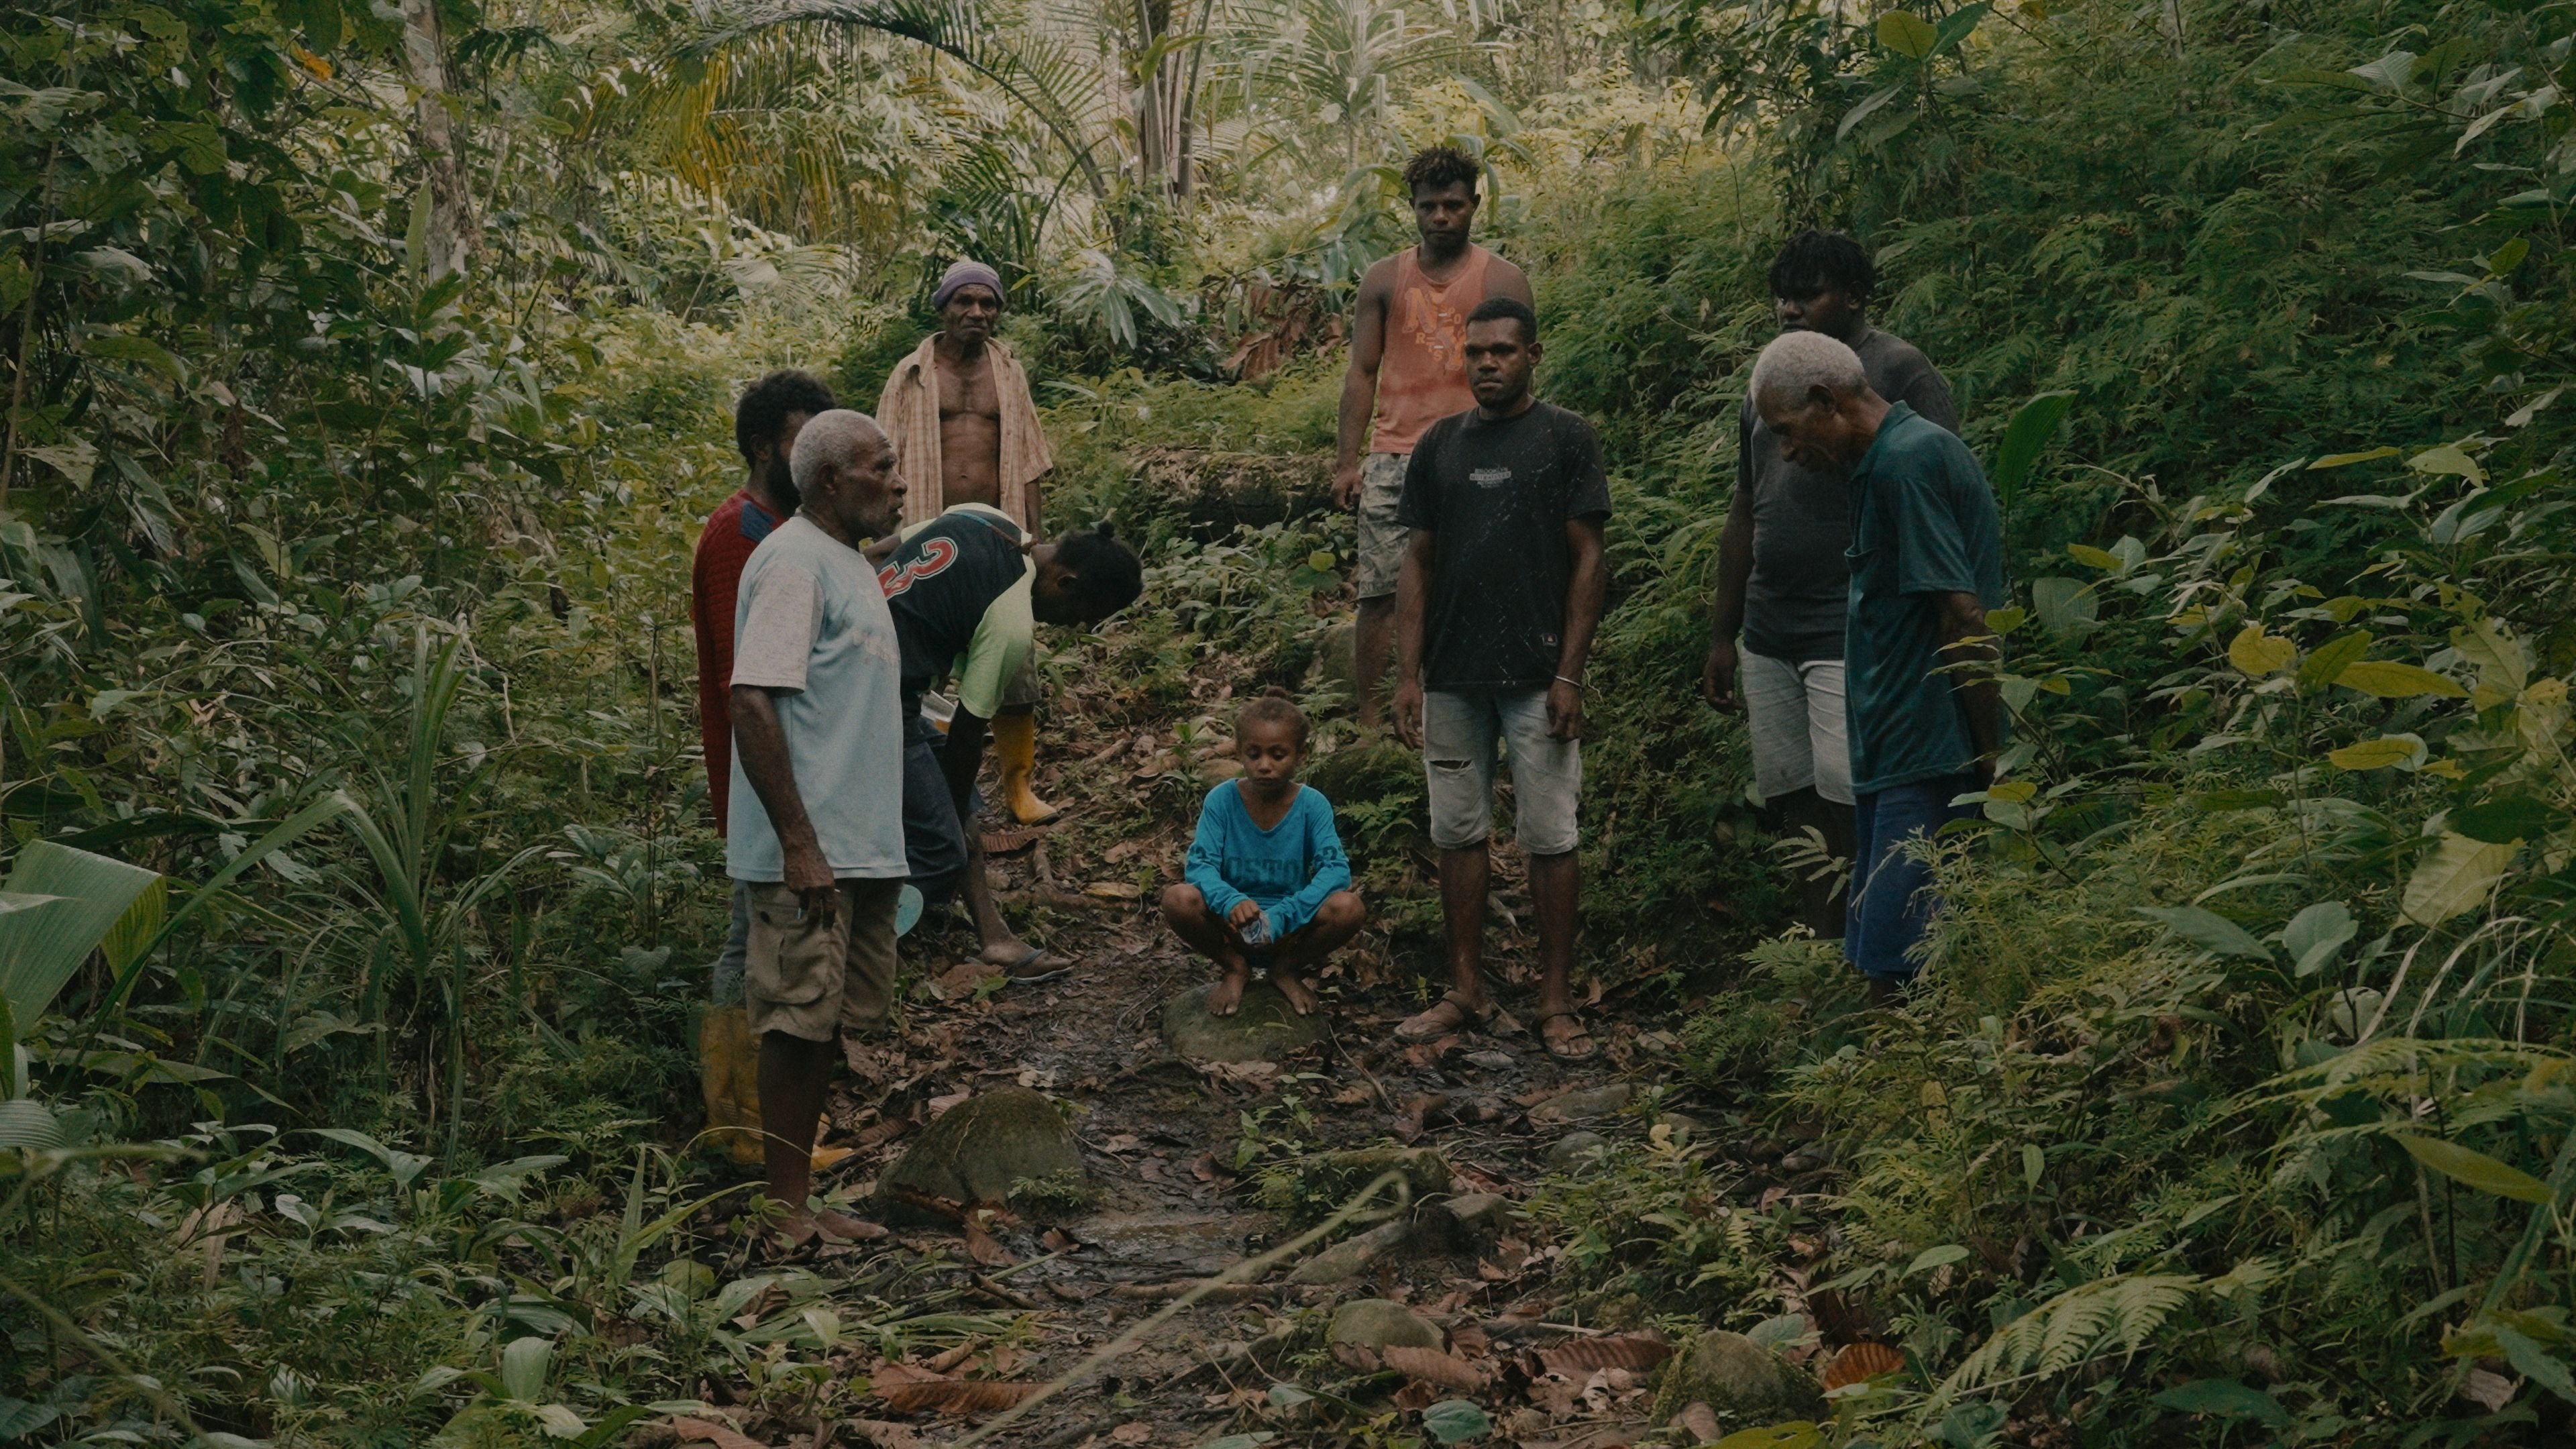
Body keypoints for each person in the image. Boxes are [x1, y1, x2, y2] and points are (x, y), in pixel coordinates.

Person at [1701, 231, 1956, 938]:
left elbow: (1934, 495)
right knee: (1794, 797)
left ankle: (1881, 945)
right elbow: (1745, 508)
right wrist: (1724, 633)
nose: (1790, 309)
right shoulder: (1771, 384)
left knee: (1858, 797)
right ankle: (1821, 945)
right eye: (1782, 295)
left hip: (1852, 625)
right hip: (1771, 624)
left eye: (1807, 293)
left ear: (1851, 295)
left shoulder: (1898, 371)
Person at [1747, 330, 2004, 1003]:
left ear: (1826, 401)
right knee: (1882, 950)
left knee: (1898, 966)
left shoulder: (1906, 464)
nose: (1788, 452)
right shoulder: (1878, 465)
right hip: (1894, 753)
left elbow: (1964, 616)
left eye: (1787, 430)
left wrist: (1989, 753)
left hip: (1927, 754)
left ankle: (1904, 1098)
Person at [1389, 297, 1610, 1061]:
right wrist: (1407, 675)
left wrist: (1570, 674)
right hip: (1452, 675)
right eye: (1476, 351)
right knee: (1457, 830)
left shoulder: (1566, 438)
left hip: (1535, 674)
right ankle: (1466, 990)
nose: (1488, 364)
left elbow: (1588, 556)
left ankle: (1554, 1000)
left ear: (1532, 356)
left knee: (1550, 833)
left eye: (1504, 352)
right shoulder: (1439, 446)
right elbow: (1416, 561)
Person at [727, 409, 911, 1246]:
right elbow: (751, 696)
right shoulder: (794, 563)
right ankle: (783, 1212)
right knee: (795, 1021)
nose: (899, 481)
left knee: (826, 1022)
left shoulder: (847, 563)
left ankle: (800, 1198)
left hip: (856, 845)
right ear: (832, 481)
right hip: (810, 850)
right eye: (882, 467)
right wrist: (800, 844)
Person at [874, 504, 1144, 979]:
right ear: (1066, 581)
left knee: (965, 811)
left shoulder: (985, 519)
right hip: (873, 700)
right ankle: (856, 947)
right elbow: (965, 736)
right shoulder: (1012, 621)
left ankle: (995, 939)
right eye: (1085, 613)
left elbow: (882, 552)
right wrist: (952, 823)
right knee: (941, 849)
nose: (1079, 626)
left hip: (883, 681)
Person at [1335, 146, 1535, 733]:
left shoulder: (1501, 279)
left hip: (1480, 448)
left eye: (1453, 205)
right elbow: (1361, 371)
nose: (1441, 217)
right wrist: (1348, 462)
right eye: (1430, 206)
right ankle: (1372, 720)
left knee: (1478, 584)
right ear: (1413, 209)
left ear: (1474, 205)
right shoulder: (1384, 278)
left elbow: (1522, 370)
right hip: (1397, 454)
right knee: (1379, 589)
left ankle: (1471, 709)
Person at [690, 368, 837, 1163]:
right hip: (763, 790)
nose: (817, 458)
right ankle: (740, 1128)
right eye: (800, 442)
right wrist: (788, 821)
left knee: (757, 941)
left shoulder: (784, 529)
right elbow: (743, 685)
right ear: (761, 448)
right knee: (753, 944)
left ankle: (754, 1125)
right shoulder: (740, 535)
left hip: (787, 787)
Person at [876, 260, 1064, 826]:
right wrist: (885, 543)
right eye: (965, 302)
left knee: (1014, 669)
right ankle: (919, 779)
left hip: (999, 539)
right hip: (930, 538)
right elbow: (881, 459)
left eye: (988, 304)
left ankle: (1017, 787)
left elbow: (1030, 461)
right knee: (914, 661)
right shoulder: (910, 373)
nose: (977, 313)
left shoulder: (1008, 374)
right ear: (944, 307)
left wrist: (1035, 538)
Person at [1162, 690, 1366, 1018]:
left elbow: (1336, 870)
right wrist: (1230, 901)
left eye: (1278, 755)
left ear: (1302, 755)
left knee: (1349, 908)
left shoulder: (1312, 805)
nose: (1265, 766)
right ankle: (1234, 968)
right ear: (1240, 752)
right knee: (1178, 899)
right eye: (1254, 754)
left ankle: (1285, 969)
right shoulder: (1222, 800)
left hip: (1290, 930)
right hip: (1230, 926)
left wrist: (1287, 914)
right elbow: (1200, 866)